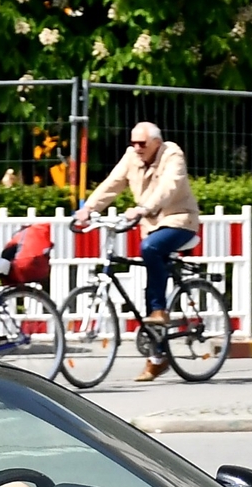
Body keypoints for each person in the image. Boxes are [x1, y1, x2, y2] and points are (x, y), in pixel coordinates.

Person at [76, 121, 200, 380]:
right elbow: (113, 183)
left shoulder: (172, 154)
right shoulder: (132, 156)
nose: (136, 147)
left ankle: (160, 310)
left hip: (179, 221)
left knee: (150, 248)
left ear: (156, 141)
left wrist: (143, 208)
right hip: (152, 225)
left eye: (142, 143)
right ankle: (157, 357)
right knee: (150, 282)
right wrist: (89, 209)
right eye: (132, 142)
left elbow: (169, 187)